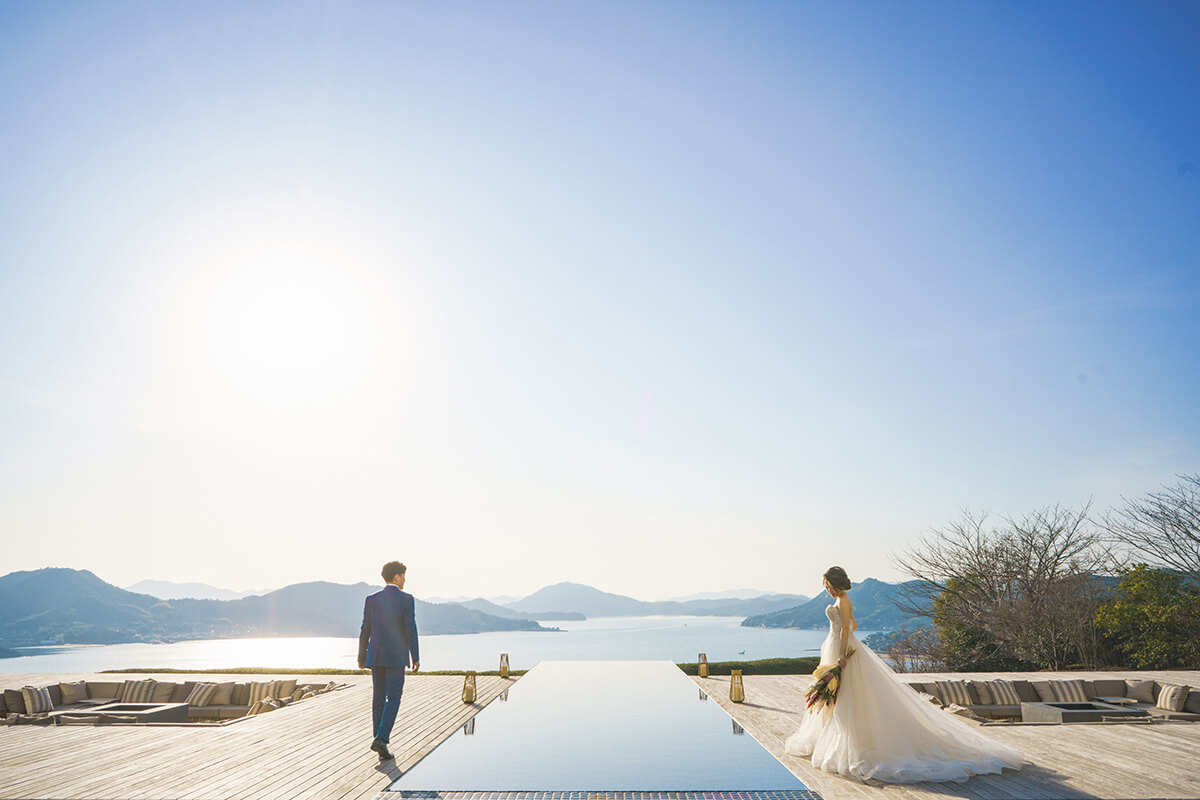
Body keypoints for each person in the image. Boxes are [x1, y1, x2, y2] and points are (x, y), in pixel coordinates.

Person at [784, 566, 1024, 783]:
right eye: (826, 587)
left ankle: (850, 744)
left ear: (836, 584)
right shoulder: (843, 601)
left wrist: (843, 653)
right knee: (839, 698)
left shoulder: (844, 601)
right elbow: (854, 625)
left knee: (846, 698)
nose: (827, 590)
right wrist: (838, 639)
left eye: (828, 586)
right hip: (836, 646)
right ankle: (836, 742)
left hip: (842, 651)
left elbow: (848, 628)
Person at [359, 560, 420, 761]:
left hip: (375, 656)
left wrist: (361, 657)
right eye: (403, 576)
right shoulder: (406, 599)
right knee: (394, 697)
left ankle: (379, 740)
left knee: (378, 697)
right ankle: (382, 738)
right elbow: (410, 630)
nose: (405, 580)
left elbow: (365, 629)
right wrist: (415, 657)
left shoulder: (371, 599)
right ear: (396, 577)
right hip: (395, 657)